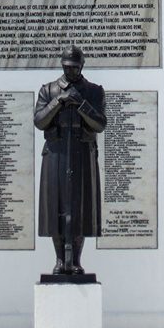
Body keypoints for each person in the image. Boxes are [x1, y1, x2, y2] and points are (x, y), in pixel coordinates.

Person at [34, 45, 106, 275]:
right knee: (55, 204)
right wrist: (59, 101)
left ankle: (75, 260)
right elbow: (39, 121)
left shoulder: (94, 91)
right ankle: (58, 260)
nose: (70, 71)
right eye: (66, 67)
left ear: (82, 66)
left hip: (82, 152)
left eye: (74, 67)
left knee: (81, 206)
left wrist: (81, 103)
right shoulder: (48, 90)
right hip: (56, 153)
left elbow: (100, 124)